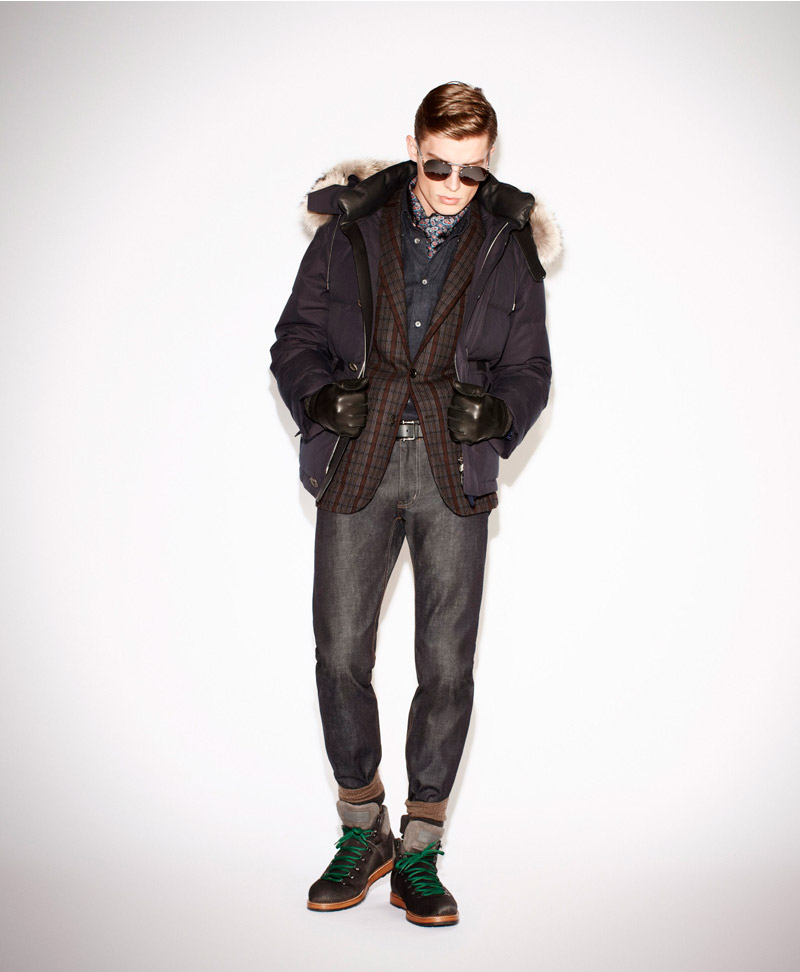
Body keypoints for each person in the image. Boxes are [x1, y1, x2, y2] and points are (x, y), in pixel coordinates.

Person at [270, 82, 561, 927]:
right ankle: (364, 830)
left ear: (488, 164)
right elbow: (295, 339)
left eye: (472, 172)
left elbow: (531, 368)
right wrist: (317, 397)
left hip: (452, 470)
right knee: (339, 655)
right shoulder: (351, 229)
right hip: (357, 459)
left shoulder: (509, 244)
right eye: (438, 167)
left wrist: (499, 415)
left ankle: (421, 848)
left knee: (446, 665)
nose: (453, 186)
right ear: (412, 148)